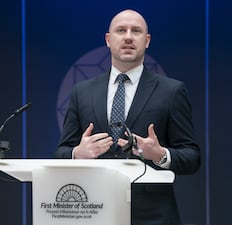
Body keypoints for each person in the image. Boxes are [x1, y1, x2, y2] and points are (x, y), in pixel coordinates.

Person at [55, 9, 200, 225]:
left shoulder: (171, 91)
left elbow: (192, 157)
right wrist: (77, 153)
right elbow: (60, 153)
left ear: (147, 40)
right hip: (92, 212)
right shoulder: (82, 92)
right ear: (108, 39)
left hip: (152, 217)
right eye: (121, 30)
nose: (129, 37)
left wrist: (160, 155)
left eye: (137, 31)